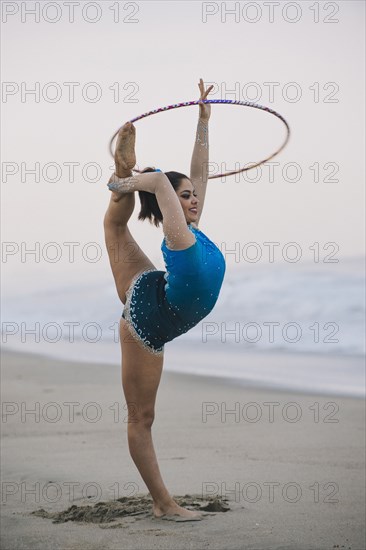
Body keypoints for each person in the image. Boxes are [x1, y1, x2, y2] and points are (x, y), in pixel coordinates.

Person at [103, 79, 225, 521]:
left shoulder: (191, 225)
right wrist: (129, 178)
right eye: (184, 196)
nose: (193, 200)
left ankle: (122, 186)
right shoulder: (177, 236)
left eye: (193, 195)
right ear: (171, 204)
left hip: (155, 292)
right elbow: (158, 182)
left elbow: (201, 171)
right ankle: (162, 504)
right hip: (145, 324)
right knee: (142, 418)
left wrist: (203, 121)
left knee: (116, 232)